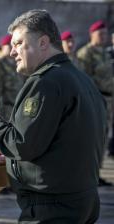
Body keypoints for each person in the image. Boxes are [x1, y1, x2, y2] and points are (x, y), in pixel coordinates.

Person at [0, 9, 106, 223]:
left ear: (43, 42)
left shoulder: (45, 83)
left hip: (53, 207)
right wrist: (12, 158)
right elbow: (57, 141)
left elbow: (22, 145)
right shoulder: (80, 78)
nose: (12, 52)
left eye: (19, 43)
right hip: (81, 200)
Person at [77, 20, 114, 186]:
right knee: (92, 137)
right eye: (101, 33)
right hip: (96, 100)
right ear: (92, 34)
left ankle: (96, 172)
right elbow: (83, 79)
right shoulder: (86, 54)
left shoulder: (105, 53)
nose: (104, 36)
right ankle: (86, 173)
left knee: (103, 138)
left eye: (105, 34)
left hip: (109, 100)